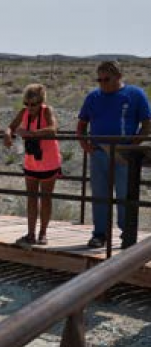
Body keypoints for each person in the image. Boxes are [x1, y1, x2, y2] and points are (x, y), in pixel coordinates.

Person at [77, 61, 151, 248]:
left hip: (125, 154)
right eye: (99, 79)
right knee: (100, 194)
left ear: (118, 77)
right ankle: (100, 234)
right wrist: (84, 143)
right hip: (99, 152)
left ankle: (127, 235)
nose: (102, 83)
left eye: (106, 79)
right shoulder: (93, 97)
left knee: (125, 194)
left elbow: (147, 124)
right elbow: (82, 123)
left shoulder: (135, 94)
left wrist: (133, 146)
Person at [4, 84, 62, 246]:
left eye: (34, 104)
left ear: (41, 102)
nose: (30, 108)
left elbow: (53, 129)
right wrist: (8, 134)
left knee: (45, 198)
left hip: (49, 162)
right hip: (31, 162)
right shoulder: (24, 113)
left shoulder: (47, 111)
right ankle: (30, 234)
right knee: (31, 198)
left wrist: (31, 134)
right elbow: (11, 126)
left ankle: (43, 234)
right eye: (27, 104)